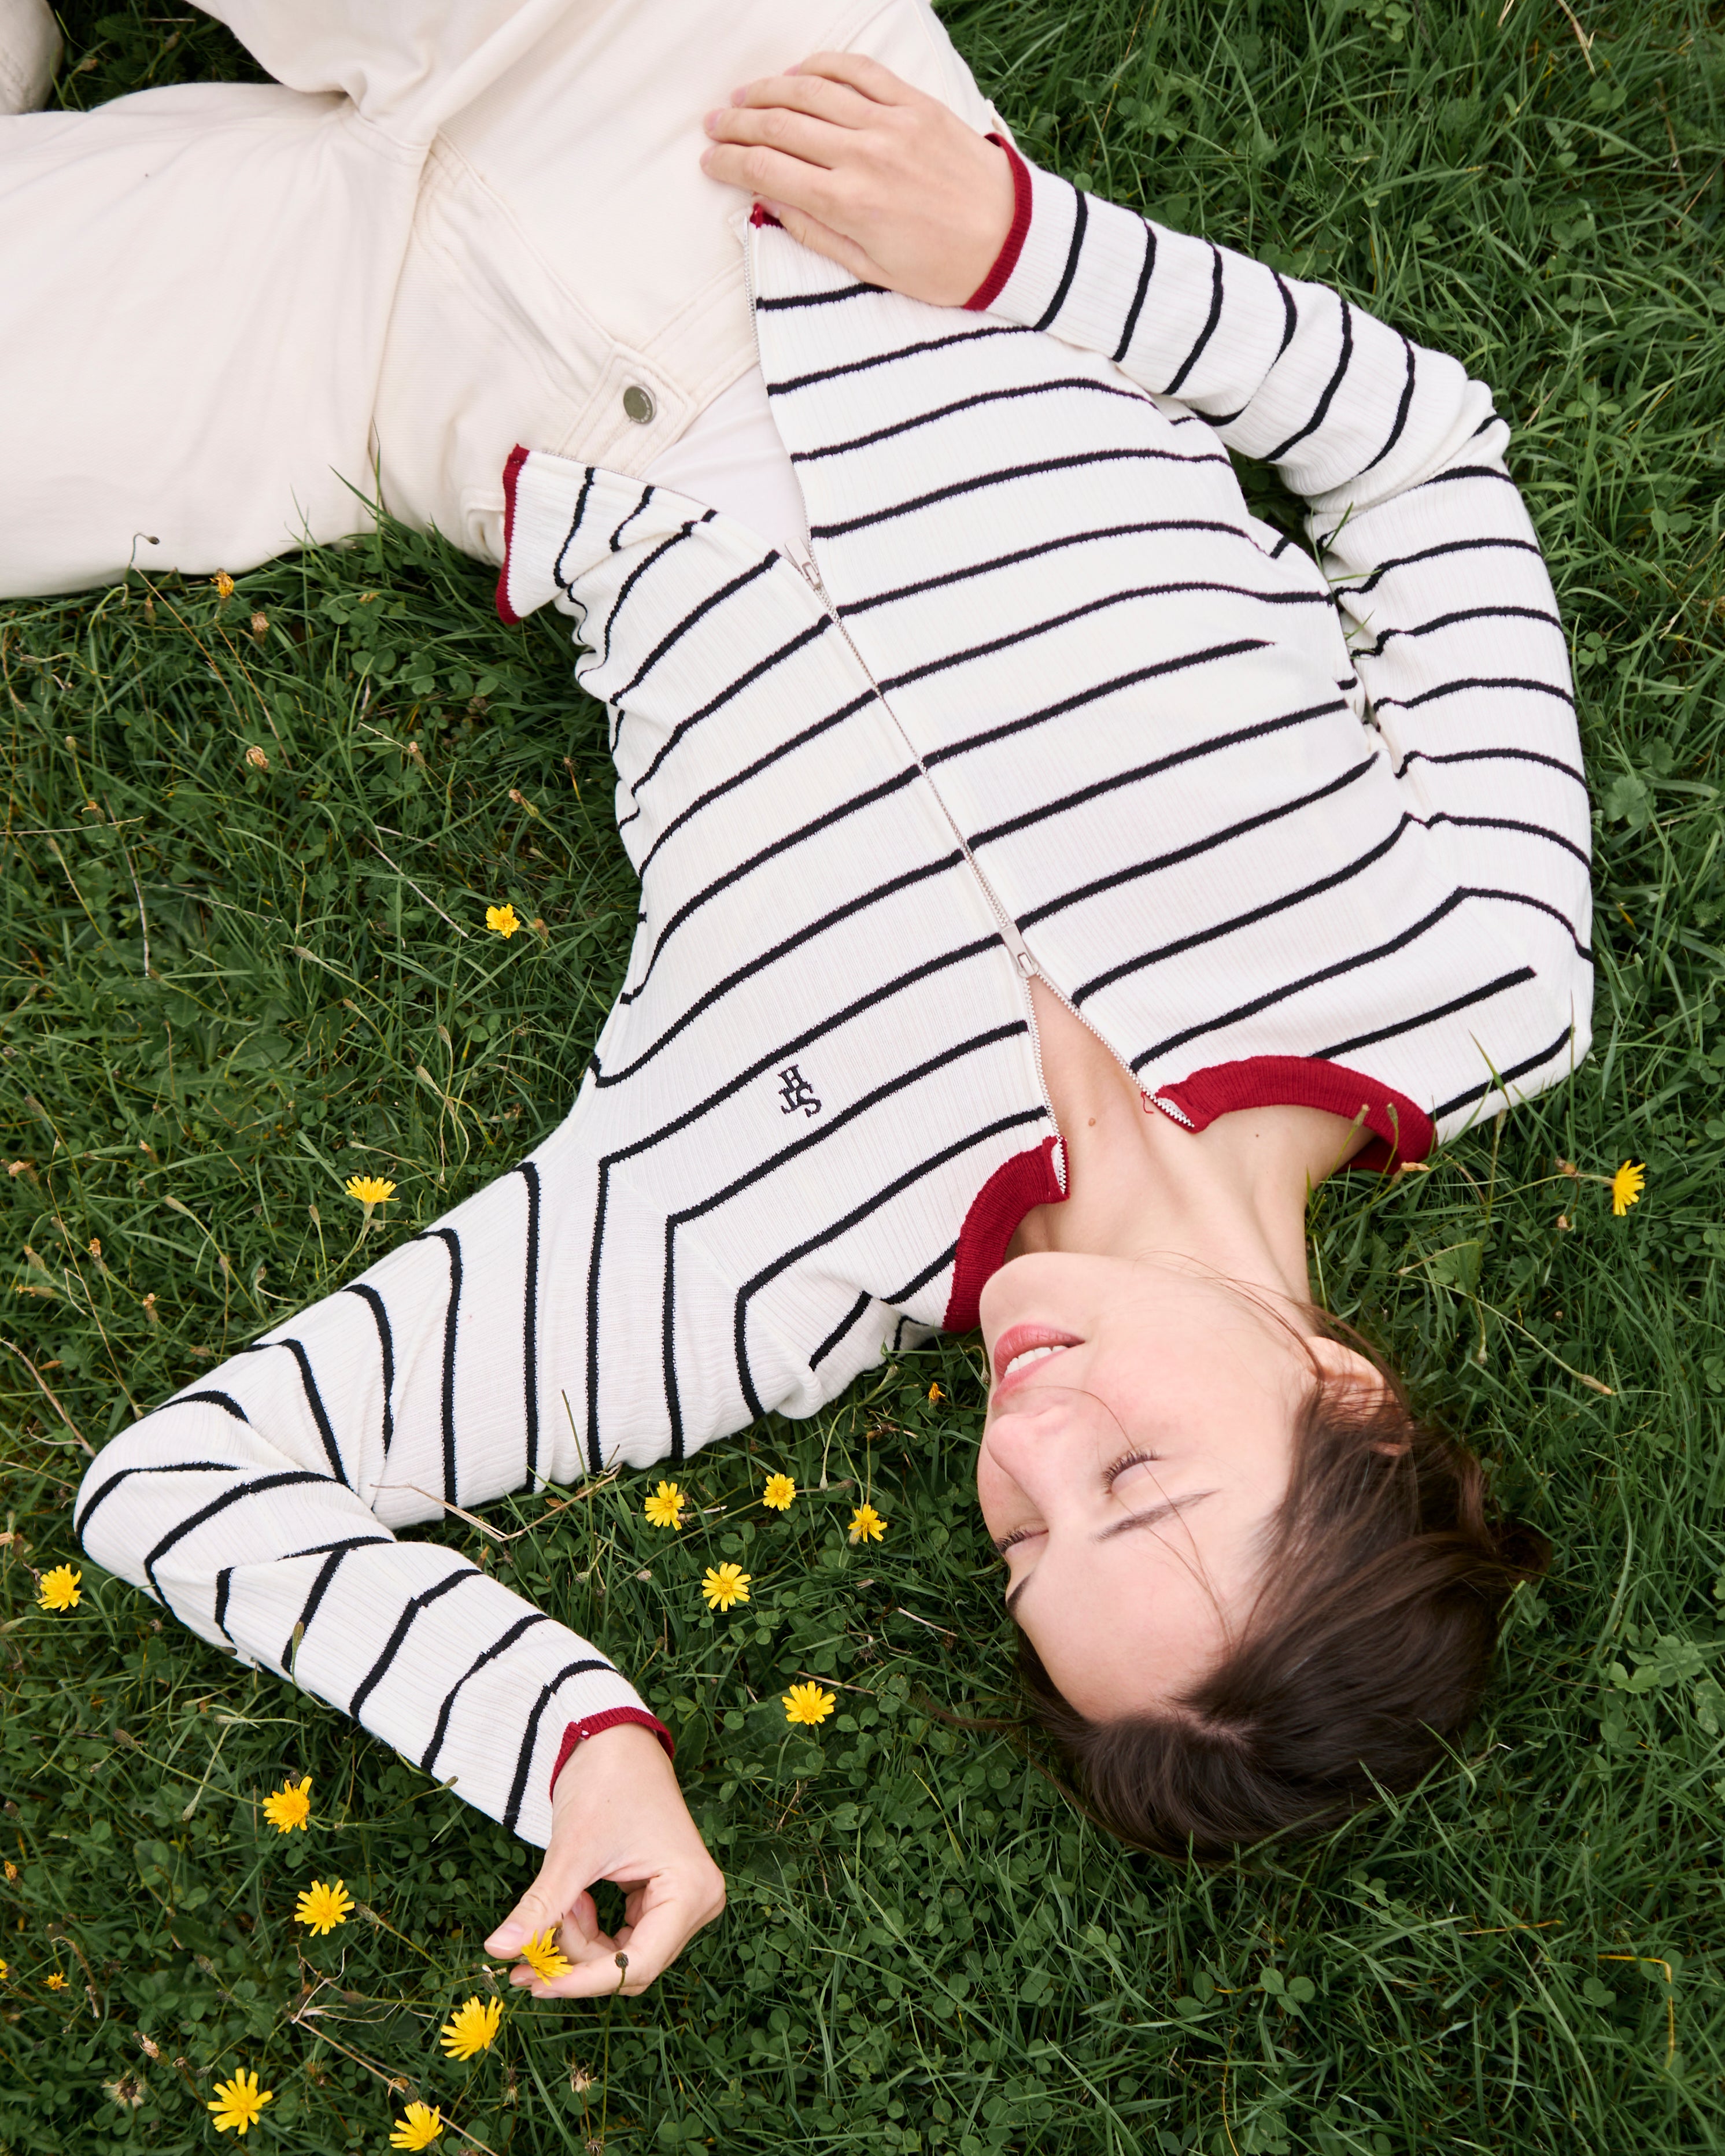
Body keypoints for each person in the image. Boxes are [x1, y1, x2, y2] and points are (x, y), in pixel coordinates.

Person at [38, 7, 1590, 2002]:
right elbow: (1421, 451)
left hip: (394, 372)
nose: (1030, 1447)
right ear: (1345, 1394)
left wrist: (574, 1743)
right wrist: (1029, 248)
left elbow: (190, 1488)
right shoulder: (1474, 969)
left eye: (1027, 1550)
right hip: (718, 106)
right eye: (1140, 1476)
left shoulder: (763, 1268)